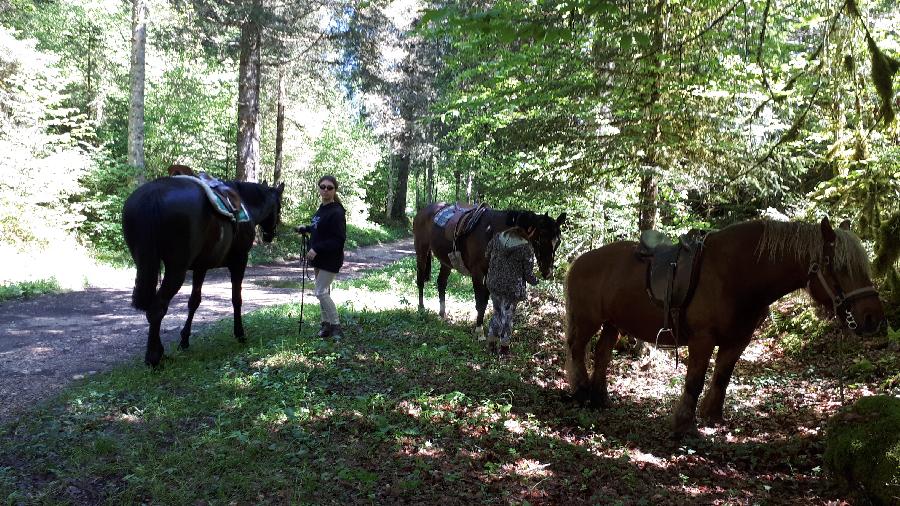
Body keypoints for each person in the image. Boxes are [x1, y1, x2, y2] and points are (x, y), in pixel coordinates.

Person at [295, 175, 347, 338]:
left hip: (330, 258)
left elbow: (338, 239)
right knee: (323, 291)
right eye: (323, 186)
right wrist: (307, 228)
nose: (325, 190)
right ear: (318, 188)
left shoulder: (337, 211)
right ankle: (326, 326)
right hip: (319, 259)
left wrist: (317, 248)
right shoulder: (322, 208)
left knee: (320, 292)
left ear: (335, 190)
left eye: (329, 187)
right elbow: (320, 227)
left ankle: (336, 326)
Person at [485, 226, 538, 355]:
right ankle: (504, 348)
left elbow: (486, 255)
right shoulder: (526, 248)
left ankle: (491, 344)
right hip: (511, 288)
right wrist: (536, 280)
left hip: (494, 283)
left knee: (497, 313)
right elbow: (528, 274)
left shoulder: (497, 238)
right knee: (507, 317)